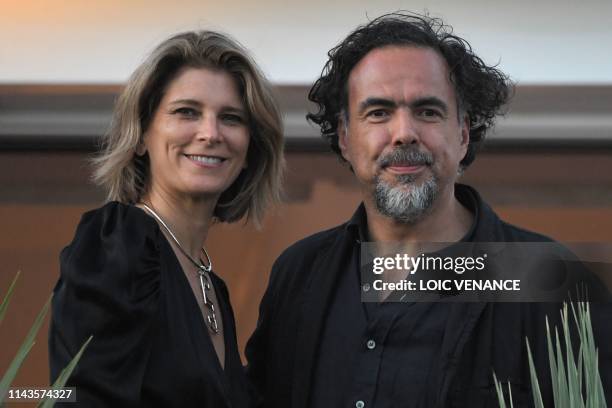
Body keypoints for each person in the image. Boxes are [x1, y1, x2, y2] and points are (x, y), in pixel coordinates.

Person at [245, 12, 611, 408]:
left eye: (428, 111)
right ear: (346, 137)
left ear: (463, 134)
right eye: (379, 112)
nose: (404, 132)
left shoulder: (546, 278)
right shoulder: (300, 275)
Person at [49, 30, 283, 407]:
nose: (210, 133)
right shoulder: (116, 243)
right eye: (186, 112)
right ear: (141, 134)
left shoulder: (210, 284)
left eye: (231, 118)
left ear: (250, 148)